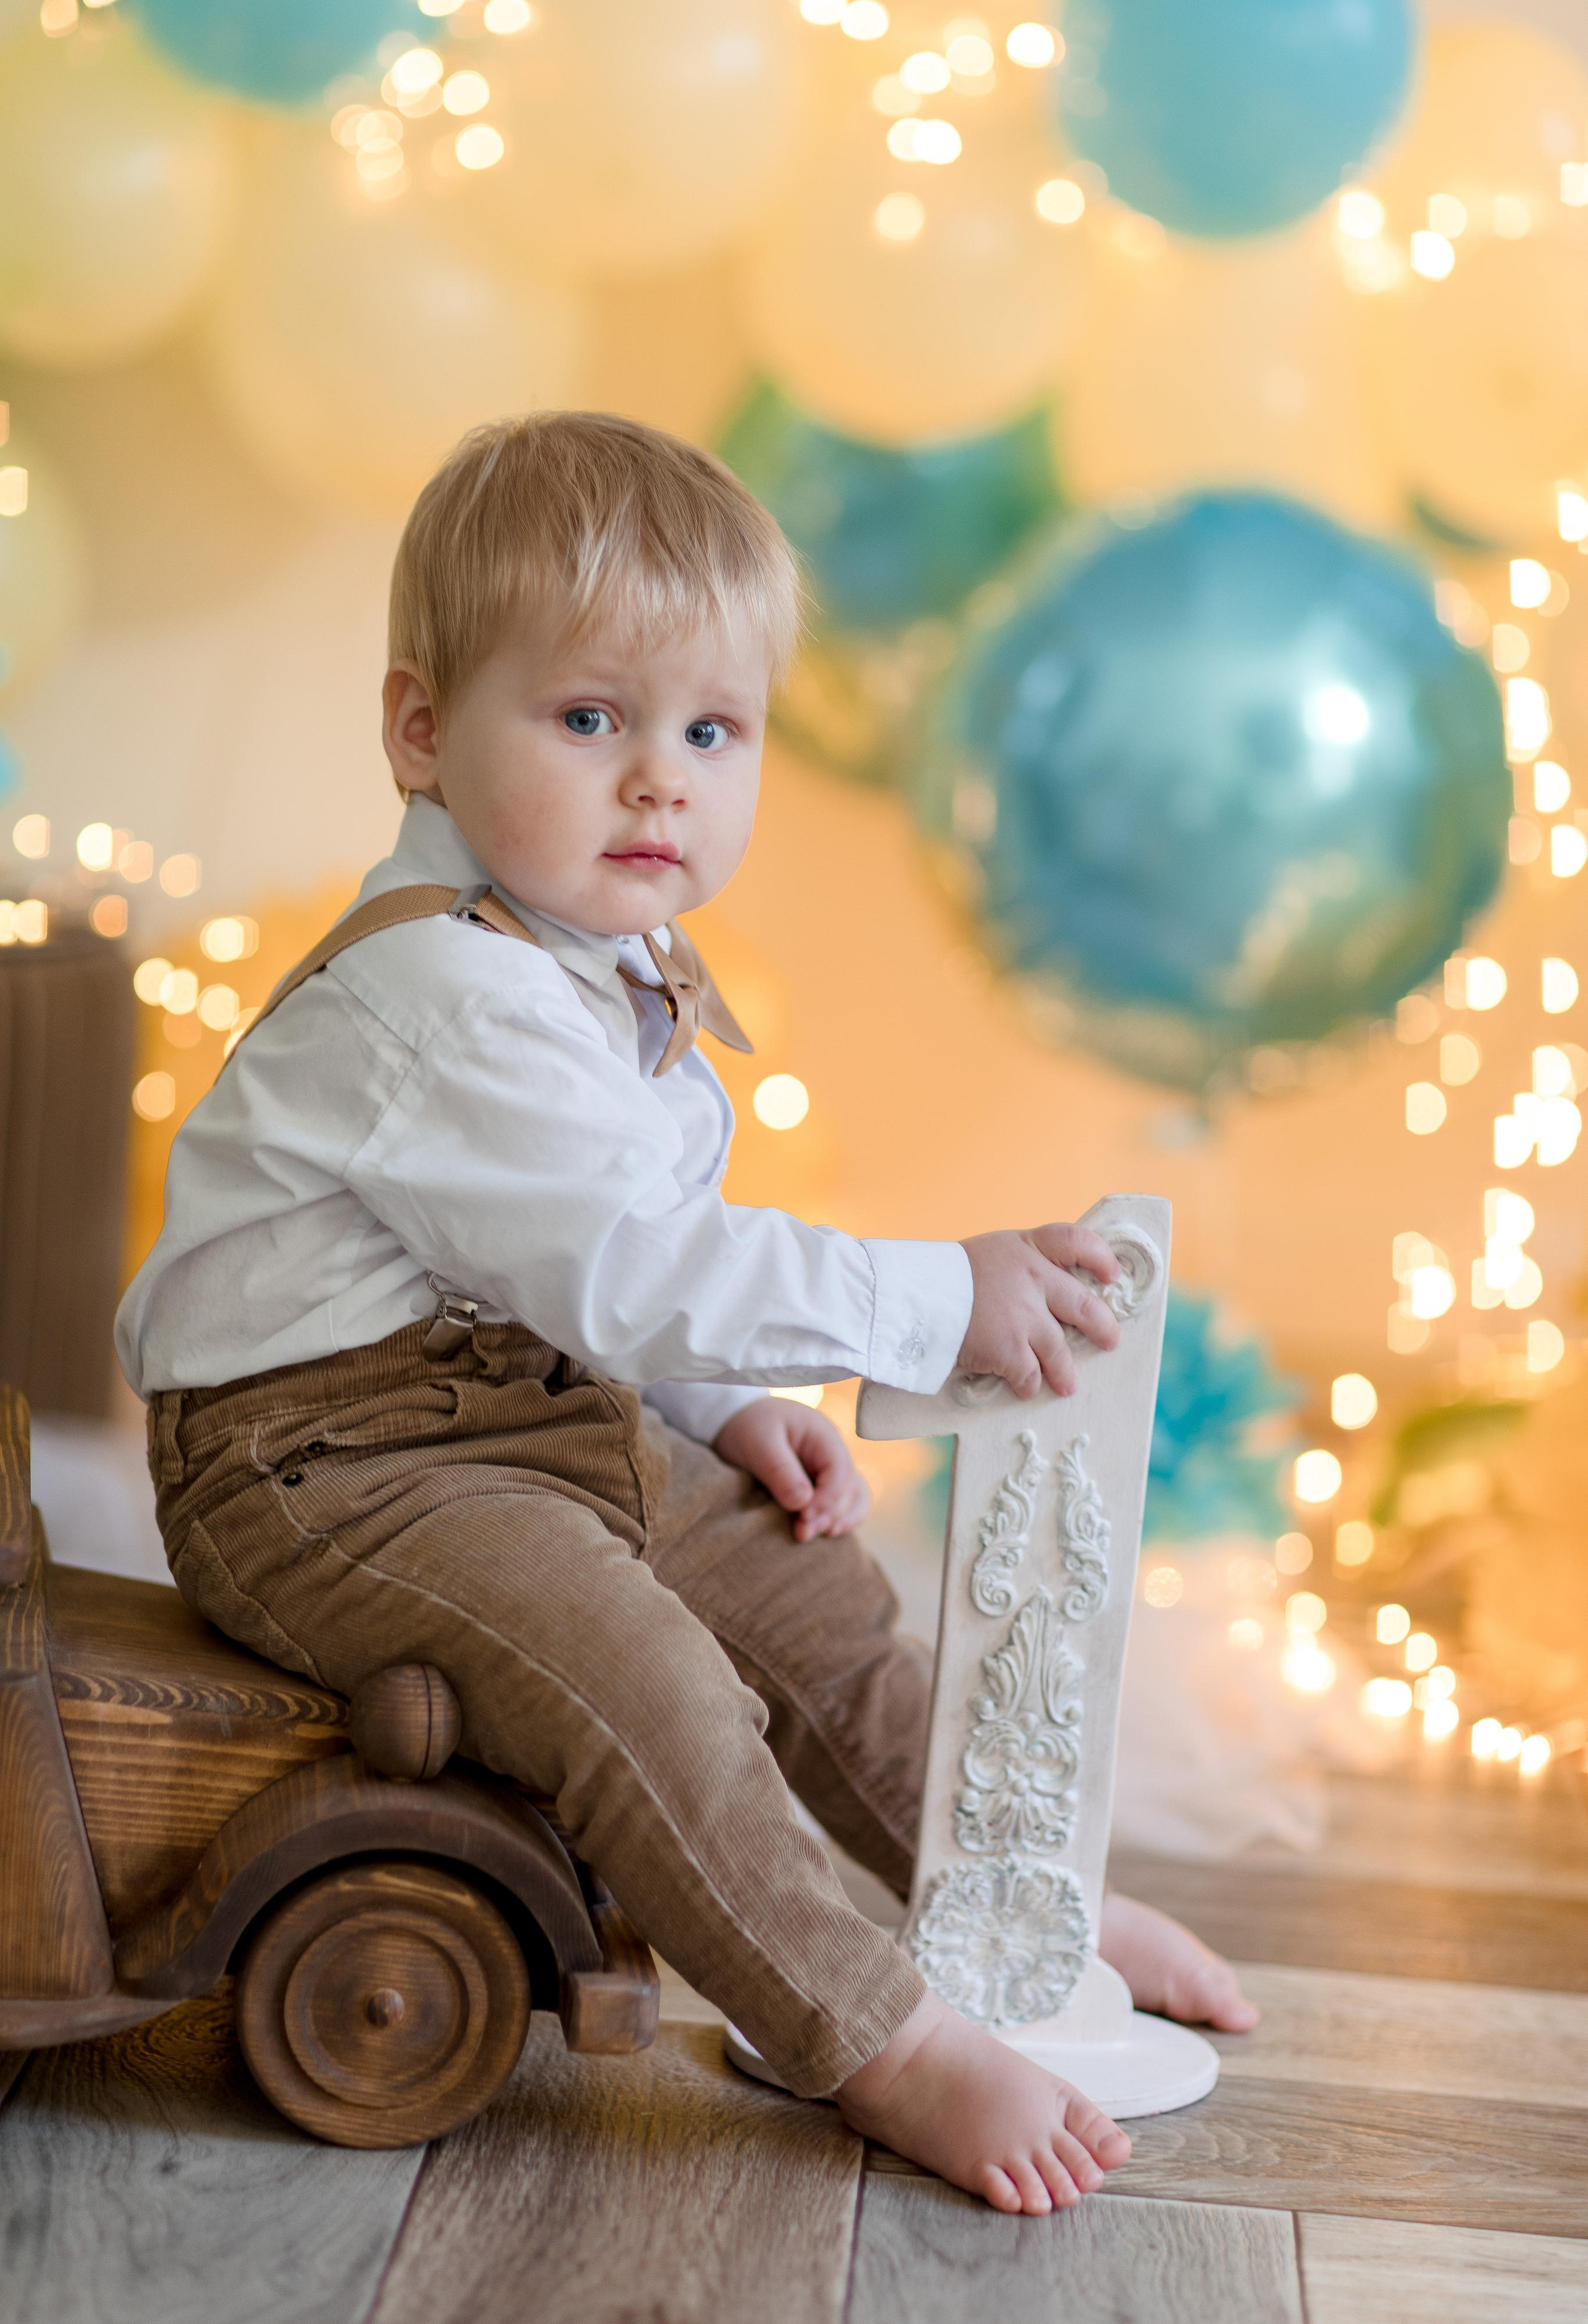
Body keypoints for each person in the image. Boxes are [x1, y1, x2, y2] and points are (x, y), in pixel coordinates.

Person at [117, 412, 1256, 2216]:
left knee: (813, 1590)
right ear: (422, 731)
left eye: (712, 733)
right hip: (322, 1470)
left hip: (525, 1407)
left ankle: (1017, 1901)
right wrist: (934, 1298)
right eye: (592, 720)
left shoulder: (599, 956)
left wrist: (723, 1409)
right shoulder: (446, 994)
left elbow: (599, 1267)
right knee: (645, 1678)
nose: (662, 783)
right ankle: (875, 2035)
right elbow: (635, 1267)